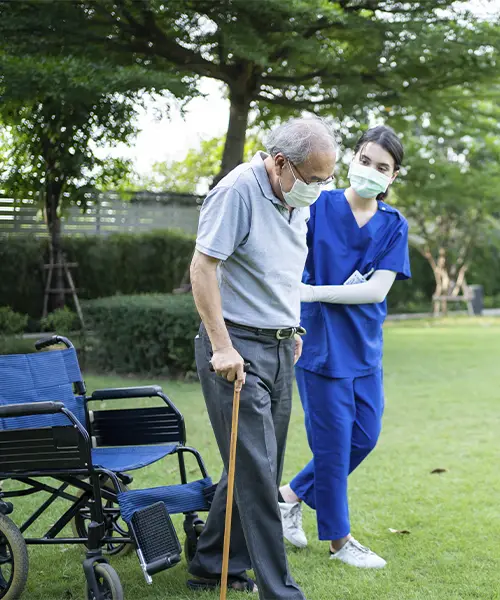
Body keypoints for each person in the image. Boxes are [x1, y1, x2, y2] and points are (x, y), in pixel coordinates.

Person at [187, 117, 337, 598]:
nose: (319, 189)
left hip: (278, 345)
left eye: (326, 180)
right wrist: (222, 346)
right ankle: (281, 591)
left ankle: (211, 563)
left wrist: (290, 326)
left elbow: (281, 270)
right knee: (257, 476)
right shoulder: (236, 192)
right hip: (238, 350)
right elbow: (203, 267)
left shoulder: (295, 197)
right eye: (314, 179)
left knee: (260, 468)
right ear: (280, 163)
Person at [279, 125, 411, 569]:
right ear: (353, 159)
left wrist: (314, 292)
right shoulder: (318, 207)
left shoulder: (394, 225)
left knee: (364, 437)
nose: (371, 171)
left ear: (392, 177)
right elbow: (286, 258)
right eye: (366, 160)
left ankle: (288, 496)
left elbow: (376, 292)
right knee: (334, 445)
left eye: (383, 168)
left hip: (365, 349)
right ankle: (340, 542)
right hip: (318, 346)